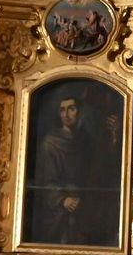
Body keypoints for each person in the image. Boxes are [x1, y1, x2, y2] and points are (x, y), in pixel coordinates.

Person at [27, 93, 117, 245]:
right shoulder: (49, 144)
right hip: (58, 208)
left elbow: (102, 170)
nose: (66, 114)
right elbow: (45, 181)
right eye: (62, 110)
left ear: (79, 112)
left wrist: (114, 136)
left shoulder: (87, 141)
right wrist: (62, 200)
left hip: (84, 204)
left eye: (71, 109)